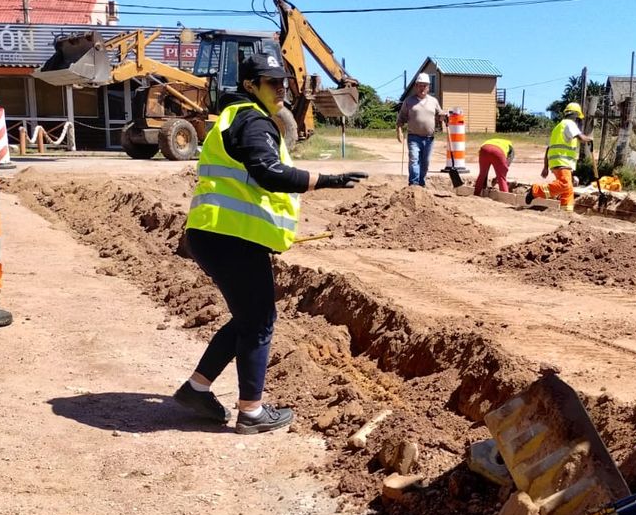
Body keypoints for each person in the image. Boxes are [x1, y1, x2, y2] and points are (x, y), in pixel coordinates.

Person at [173, 51, 366, 433]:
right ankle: (252, 412)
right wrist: (326, 180)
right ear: (250, 86)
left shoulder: (236, 116)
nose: (281, 88)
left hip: (217, 234)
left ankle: (197, 388)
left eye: (282, 81)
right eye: (271, 82)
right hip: (231, 237)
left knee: (248, 318)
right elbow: (269, 173)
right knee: (259, 322)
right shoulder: (254, 121)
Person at [527, 102, 593, 212]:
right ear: (576, 114)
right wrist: (590, 139)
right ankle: (535, 190)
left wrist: (545, 166)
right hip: (562, 161)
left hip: (557, 162)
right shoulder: (569, 124)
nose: (578, 120)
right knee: (565, 184)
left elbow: (549, 148)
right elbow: (581, 137)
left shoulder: (558, 127)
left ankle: (566, 210)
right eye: (578, 117)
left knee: (568, 189)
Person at [396, 73, 447, 187]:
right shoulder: (409, 101)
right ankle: (414, 184)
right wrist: (398, 131)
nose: (422, 88)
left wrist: (443, 116)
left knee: (425, 163)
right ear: (416, 86)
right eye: (420, 85)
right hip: (413, 137)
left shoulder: (433, 101)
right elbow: (401, 118)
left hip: (429, 138)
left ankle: (421, 183)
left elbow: (440, 114)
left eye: (425, 85)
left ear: (428, 87)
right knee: (414, 160)